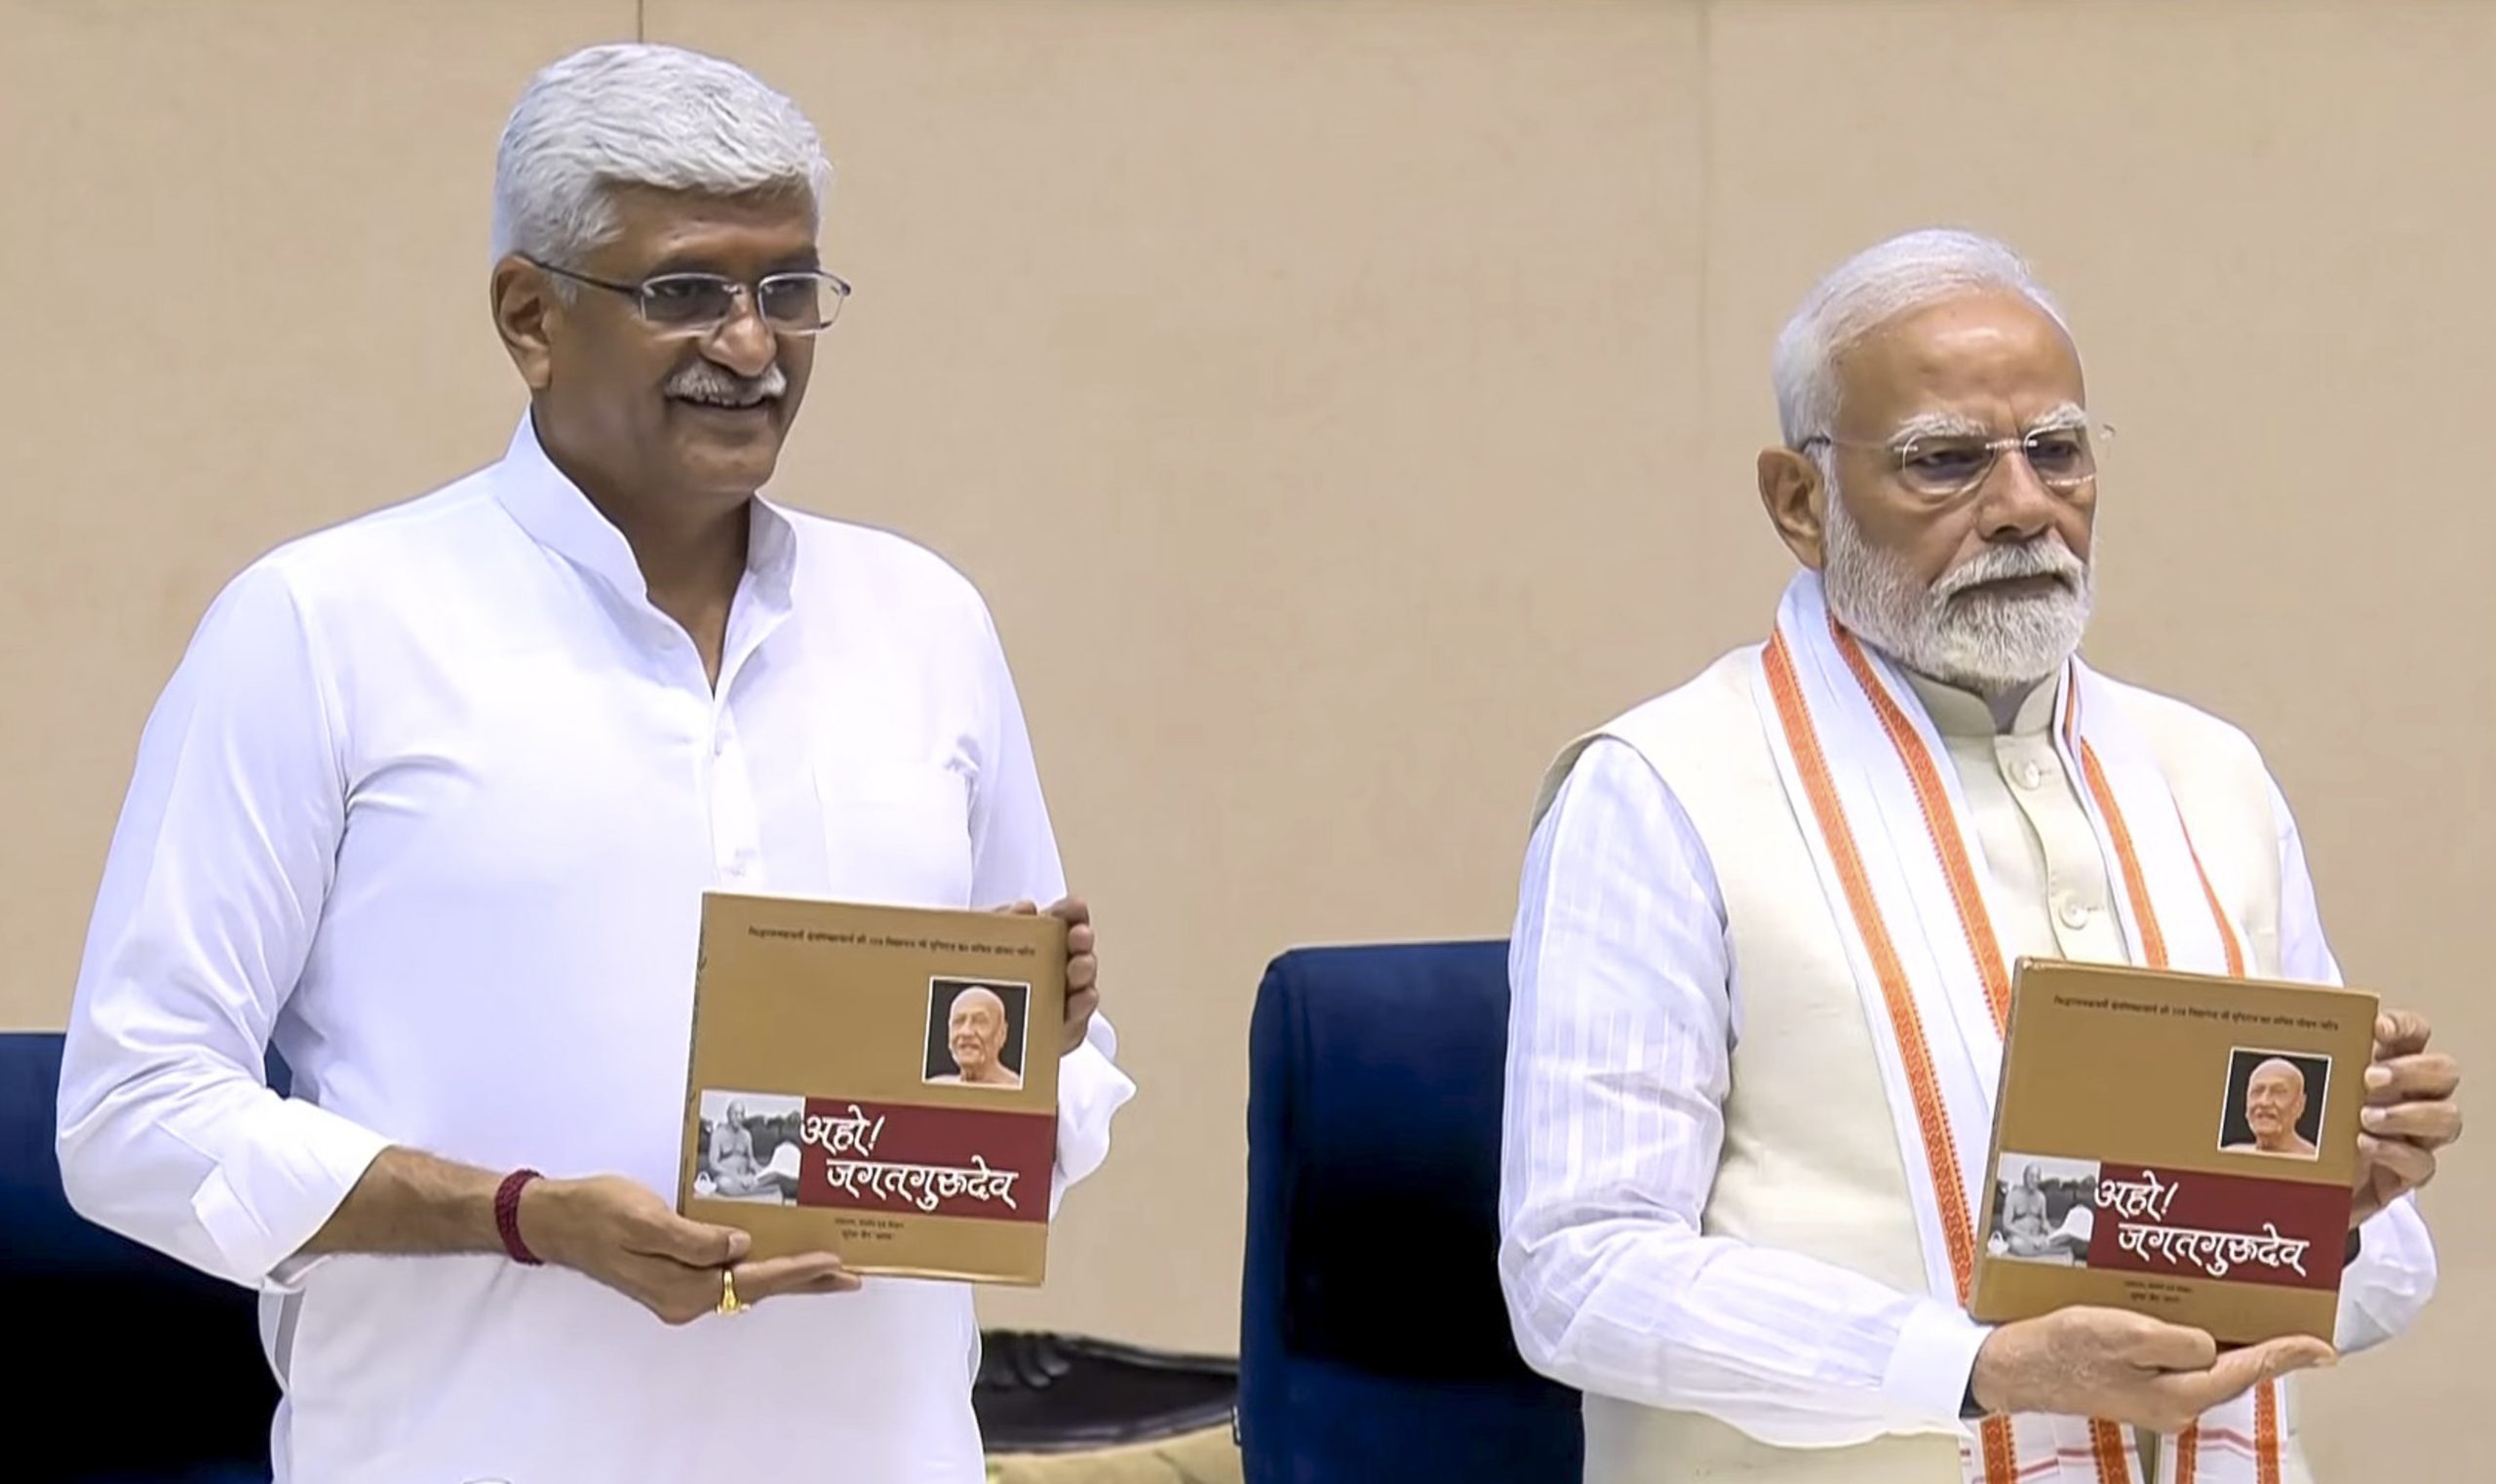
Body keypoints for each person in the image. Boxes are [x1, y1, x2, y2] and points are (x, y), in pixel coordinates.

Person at [54, 42, 1134, 1484]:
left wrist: (1018, 1064)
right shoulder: (324, 625)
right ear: (531, 314)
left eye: (788, 289)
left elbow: (1057, 1097)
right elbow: (132, 1115)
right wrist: (520, 1215)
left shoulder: (924, 621)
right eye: (685, 292)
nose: (750, 346)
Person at [1499, 229, 2462, 1484]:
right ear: (1798, 501)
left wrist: (2325, 1214)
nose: (2021, 506)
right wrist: (1971, 1366)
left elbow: (2383, 1279)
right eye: (1944, 461)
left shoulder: (2207, 774)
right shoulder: (1661, 788)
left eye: (2055, 450)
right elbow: (1579, 1271)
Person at [2226, 1058, 2320, 1157]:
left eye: (2279, 1092)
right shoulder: (2231, 1155)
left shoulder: (2312, 1158)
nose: (2264, 1102)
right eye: (2257, 1091)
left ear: (2300, 1104)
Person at [930, 986, 1024, 1087]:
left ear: (1002, 1033)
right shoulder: (933, 1087)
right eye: (958, 1021)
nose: (966, 1032)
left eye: (980, 1021)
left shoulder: (1018, 1089)